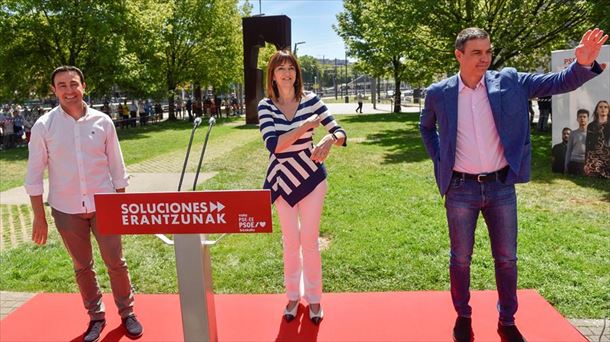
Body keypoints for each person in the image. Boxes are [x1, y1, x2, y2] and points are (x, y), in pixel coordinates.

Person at [419, 28, 606, 342]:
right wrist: (441, 160)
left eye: (488, 51)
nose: (485, 58)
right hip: (460, 189)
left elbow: (556, 82)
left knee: (506, 258)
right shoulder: (439, 92)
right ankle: (463, 316)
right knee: (460, 258)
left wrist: (581, 65)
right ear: (459, 55)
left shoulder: (509, 81)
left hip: (501, 186)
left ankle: (507, 320)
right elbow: (425, 128)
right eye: (477, 52)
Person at [24, 66, 143, 342]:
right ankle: (96, 317)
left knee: (116, 262)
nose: (69, 90)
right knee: (82, 266)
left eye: (73, 84)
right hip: (66, 209)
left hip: (105, 205)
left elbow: (117, 166)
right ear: (54, 90)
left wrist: (122, 207)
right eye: (62, 85)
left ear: (84, 86)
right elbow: (33, 175)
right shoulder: (44, 127)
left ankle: (127, 313)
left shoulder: (103, 122)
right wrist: (39, 217)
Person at [257, 50, 347, 326]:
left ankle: (315, 298)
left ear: (297, 73)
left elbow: (341, 132)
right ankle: (293, 296)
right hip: (281, 180)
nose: (287, 73)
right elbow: (274, 145)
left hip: (311, 179)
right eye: (280, 68)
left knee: (309, 242)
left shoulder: (313, 101)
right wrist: (306, 126)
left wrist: (330, 139)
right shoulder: (265, 106)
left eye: (291, 68)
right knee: (290, 243)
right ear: (272, 75)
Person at [584, 100, 610, 178]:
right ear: (597, 110)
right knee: (591, 167)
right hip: (594, 154)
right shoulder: (591, 125)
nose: (603, 109)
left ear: (608, 110)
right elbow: (587, 143)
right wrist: (586, 159)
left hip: (608, 153)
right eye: (601, 107)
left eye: (606, 107)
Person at [565, 109, 590, 176]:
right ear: (577, 119)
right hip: (574, 162)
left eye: (584, 117)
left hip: (586, 163)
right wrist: (566, 165)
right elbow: (569, 150)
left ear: (588, 119)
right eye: (580, 117)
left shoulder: (592, 134)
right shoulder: (573, 133)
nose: (582, 119)